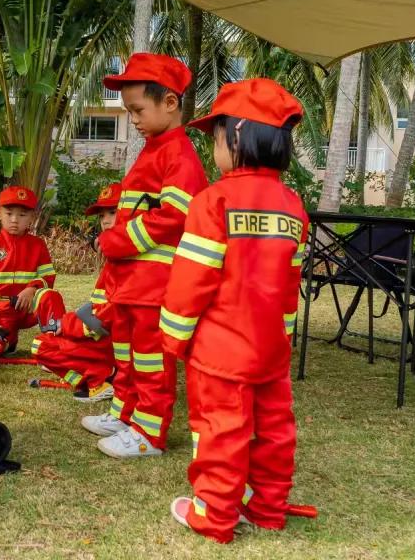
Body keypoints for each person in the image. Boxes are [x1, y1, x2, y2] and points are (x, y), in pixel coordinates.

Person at [161, 78, 308, 543]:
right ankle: (266, 508)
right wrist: (280, 338)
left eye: (217, 137)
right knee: (274, 431)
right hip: (271, 350)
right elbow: (290, 288)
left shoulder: (214, 201)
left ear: (240, 136)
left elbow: (191, 281)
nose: (213, 149)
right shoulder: (294, 207)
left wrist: (173, 336)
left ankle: (214, 514)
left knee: (220, 431)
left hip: (220, 351)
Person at [81, 53, 208, 459]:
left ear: (169, 103)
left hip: (154, 285)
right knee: (126, 354)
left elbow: (176, 215)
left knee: (152, 361)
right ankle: (125, 412)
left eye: (137, 110)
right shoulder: (154, 149)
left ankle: (149, 434)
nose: (132, 119)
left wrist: (120, 240)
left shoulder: (179, 154)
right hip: (131, 282)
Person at [31, 182, 122, 401]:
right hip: (109, 341)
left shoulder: (123, 262)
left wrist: (67, 325)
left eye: (113, 212)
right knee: (44, 343)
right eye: (102, 216)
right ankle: (96, 377)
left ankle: (100, 379)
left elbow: (104, 319)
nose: (106, 221)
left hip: (112, 343)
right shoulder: (115, 260)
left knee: (42, 345)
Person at [0, 185, 56, 365]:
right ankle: (8, 338)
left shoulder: (38, 245)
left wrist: (32, 288)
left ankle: (54, 345)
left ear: (32, 217)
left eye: (22, 215)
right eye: (9, 214)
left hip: (28, 309)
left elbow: (48, 278)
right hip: (1, 312)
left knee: (50, 297)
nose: (15, 220)